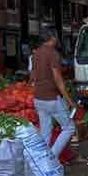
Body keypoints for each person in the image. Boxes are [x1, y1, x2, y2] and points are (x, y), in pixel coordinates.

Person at [31, 28, 76, 159]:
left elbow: (32, 76)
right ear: (52, 38)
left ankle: (42, 161)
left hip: (38, 98)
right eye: (56, 37)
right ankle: (52, 158)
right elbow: (58, 79)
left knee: (45, 132)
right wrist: (69, 100)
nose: (57, 40)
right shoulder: (53, 54)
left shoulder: (36, 53)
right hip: (51, 98)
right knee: (69, 128)